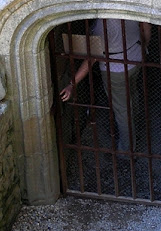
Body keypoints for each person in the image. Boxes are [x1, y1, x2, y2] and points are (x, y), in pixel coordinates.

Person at [59, 19, 151, 151]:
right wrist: (144, 47)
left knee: (122, 111)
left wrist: (72, 84)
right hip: (136, 57)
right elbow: (146, 25)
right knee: (132, 92)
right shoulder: (128, 4)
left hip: (115, 69)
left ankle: (127, 150)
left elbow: (91, 59)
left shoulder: (101, 28)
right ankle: (135, 124)